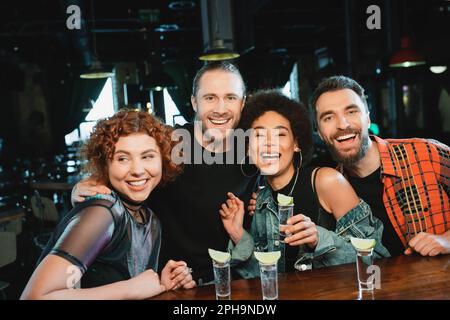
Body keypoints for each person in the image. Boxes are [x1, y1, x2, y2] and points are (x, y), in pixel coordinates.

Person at [70, 62, 256, 284]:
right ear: (194, 102)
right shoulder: (169, 143)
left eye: (231, 97)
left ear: (243, 103)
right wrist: (83, 188)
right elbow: (121, 170)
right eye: (210, 98)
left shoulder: (252, 150)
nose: (220, 108)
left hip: (230, 279)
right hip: (169, 280)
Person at [21, 110, 195, 299]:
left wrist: (162, 283)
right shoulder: (102, 213)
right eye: (122, 158)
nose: (137, 170)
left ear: (164, 160)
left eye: (147, 156)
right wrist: (130, 289)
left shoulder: (150, 220)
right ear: (105, 165)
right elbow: (34, 297)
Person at [218, 90, 389, 277]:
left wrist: (319, 238)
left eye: (280, 135)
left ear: (296, 144)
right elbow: (265, 276)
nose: (268, 144)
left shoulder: (327, 181)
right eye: (258, 136)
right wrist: (238, 234)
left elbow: (376, 263)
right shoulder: (261, 200)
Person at [311, 75, 450, 257]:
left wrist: (447, 240)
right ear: (320, 133)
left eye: (351, 112)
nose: (342, 124)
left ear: (368, 119)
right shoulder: (330, 190)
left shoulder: (425, 153)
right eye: (328, 117)